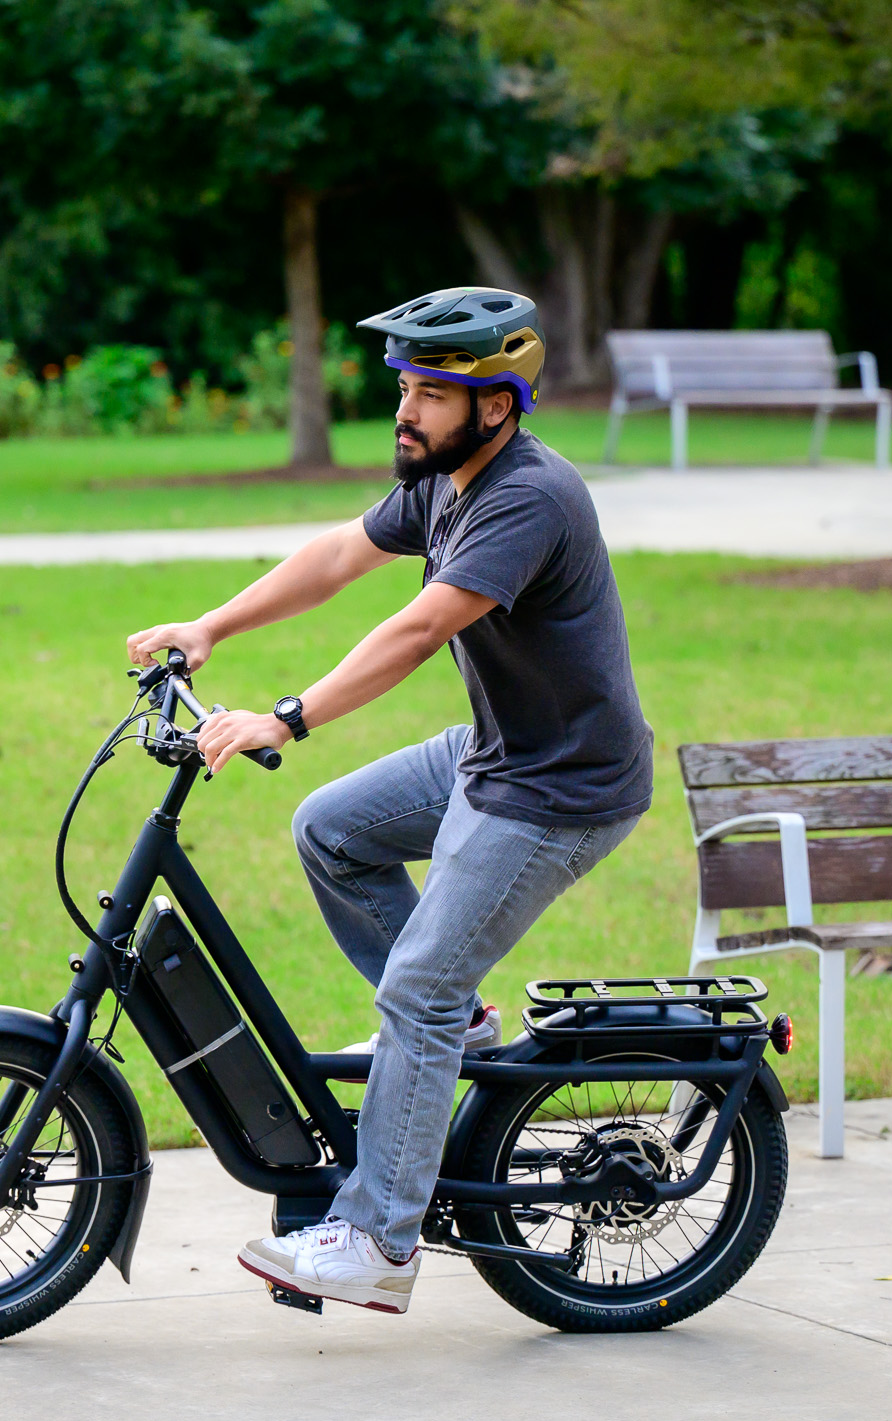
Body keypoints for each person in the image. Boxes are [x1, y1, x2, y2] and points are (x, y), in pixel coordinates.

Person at [124, 286, 653, 1315]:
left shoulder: (524, 498)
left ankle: (378, 1240)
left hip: (560, 785)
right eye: (403, 387)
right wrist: (212, 624)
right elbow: (335, 557)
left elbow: (416, 631)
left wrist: (286, 716)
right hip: (500, 750)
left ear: (495, 404)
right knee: (331, 829)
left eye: (429, 392)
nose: (404, 410)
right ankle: (465, 1025)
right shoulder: (446, 478)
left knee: (415, 989)